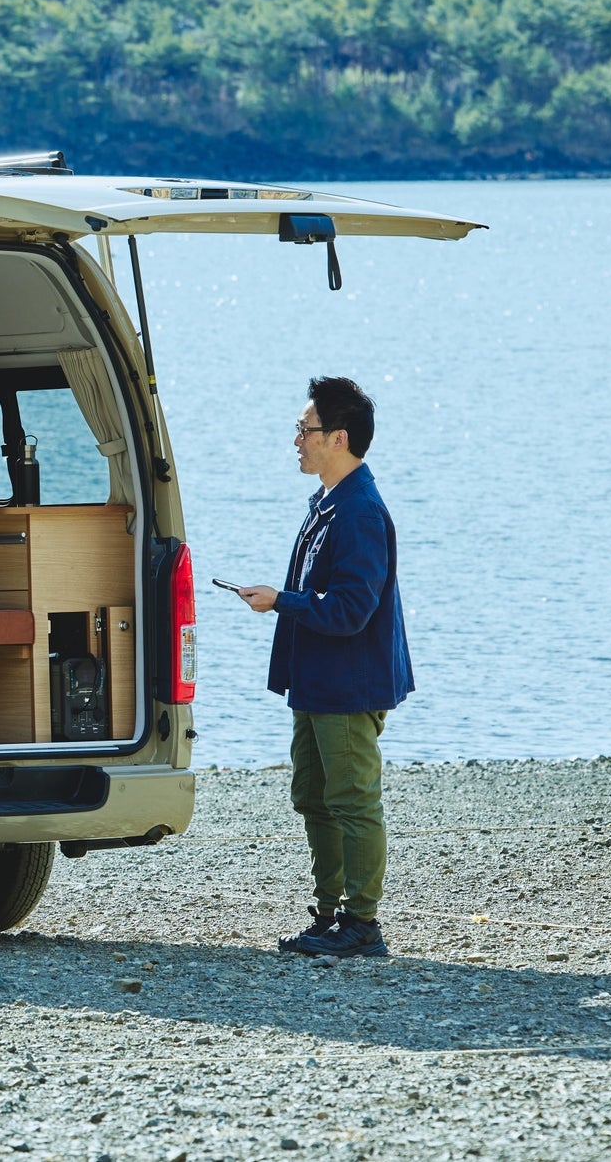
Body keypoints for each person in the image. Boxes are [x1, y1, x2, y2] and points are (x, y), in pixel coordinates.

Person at [235, 376, 412, 960]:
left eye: (305, 431)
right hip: (315, 683)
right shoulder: (329, 503)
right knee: (313, 795)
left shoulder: (360, 510)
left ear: (338, 438)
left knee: (354, 800)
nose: (297, 441)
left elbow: (352, 610)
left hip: (347, 686)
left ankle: (362, 924)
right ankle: (330, 914)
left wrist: (280, 600)